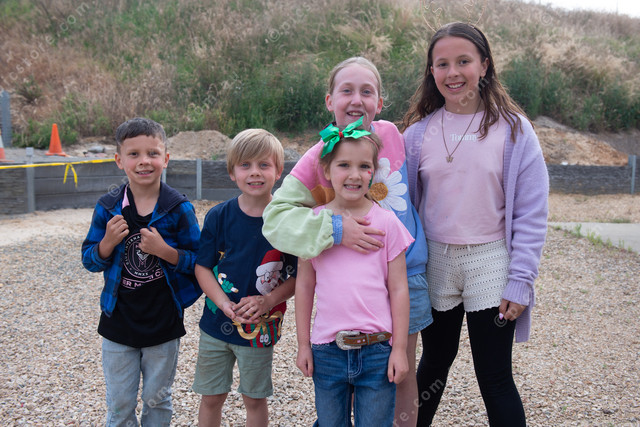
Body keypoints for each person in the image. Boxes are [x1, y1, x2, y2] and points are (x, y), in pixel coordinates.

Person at [262, 56, 432, 426]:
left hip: (405, 274)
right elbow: (275, 218)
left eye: (366, 92)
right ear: (330, 101)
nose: (357, 100)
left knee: (399, 373)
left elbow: (417, 190)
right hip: (345, 287)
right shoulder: (320, 155)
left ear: (380, 103)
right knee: (348, 381)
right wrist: (336, 229)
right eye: (346, 91)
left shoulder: (391, 136)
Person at [402, 22, 549, 426]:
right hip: (435, 262)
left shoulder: (515, 131)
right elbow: (401, 208)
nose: (453, 73)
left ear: (484, 65)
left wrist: (522, 280)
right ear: (431, 71)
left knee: (495, 376)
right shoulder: (416, 135)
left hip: (491, 262)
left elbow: (532, 212)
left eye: (463, 61)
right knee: (433, 364)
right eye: (442, 64)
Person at [81, 117, 202, 426]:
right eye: (134, 154)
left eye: (152, 153)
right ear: (119, 160)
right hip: (118, 322)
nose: (144, 161)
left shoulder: (178, 208)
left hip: (163, 324)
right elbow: (89, 260)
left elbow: (200, 262)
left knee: (157, 400)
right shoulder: (108, 207)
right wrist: (107, 243)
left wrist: (165, 252)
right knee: (119, 404)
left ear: (166, 159)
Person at [295, 119, 411, 425]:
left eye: (364, 166)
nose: (355, 175)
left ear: (374, 172)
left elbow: (399, 289)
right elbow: (304, 286)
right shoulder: (313, 224)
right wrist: (303, 344)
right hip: (327, 351)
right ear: (326, 170)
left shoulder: (387, 223)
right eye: (344, 165)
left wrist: (399, 349)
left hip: (377, 350)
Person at [192, 129, 297, 427]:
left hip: (261, 326)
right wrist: (223, 303)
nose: (255, 172)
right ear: (232, 172)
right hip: (215, 325)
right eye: (245, 165)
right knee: (211, 396)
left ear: (278, 171)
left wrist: (268, 300)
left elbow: (298, 276)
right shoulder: (218, 216)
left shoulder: (287, 220)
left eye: (264, 165)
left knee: (254, 399)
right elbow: (202, 268)